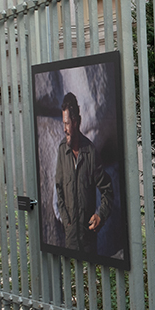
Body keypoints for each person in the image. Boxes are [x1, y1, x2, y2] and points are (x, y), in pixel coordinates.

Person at [54, 92, 113, 254]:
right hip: (70, 237)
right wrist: (66, 221)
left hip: (88, 239)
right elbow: (59, 188)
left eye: (67, 123)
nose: (64, 128)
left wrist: (100, 215)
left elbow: (108, 191)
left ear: (76, 122)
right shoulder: (61, 151)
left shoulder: (91, 152)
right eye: (63, 123)